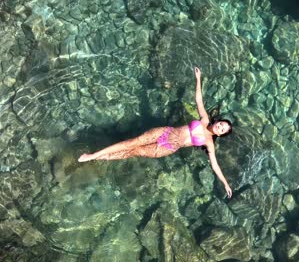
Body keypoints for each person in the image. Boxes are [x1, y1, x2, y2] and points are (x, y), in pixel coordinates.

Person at [78, 67, 233, 198]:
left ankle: (103, 157)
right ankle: (93, 155)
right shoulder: (205, 119)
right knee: (133, 142)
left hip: (168, 147)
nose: (220, 127)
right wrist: (198, 79)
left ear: (220, 134)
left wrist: (225, 183)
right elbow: (199, 100)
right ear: (217, 121)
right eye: (221, 124)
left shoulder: (209, 143)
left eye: (222, 129)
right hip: (165, 132)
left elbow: (215, 165)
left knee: (133, 151)